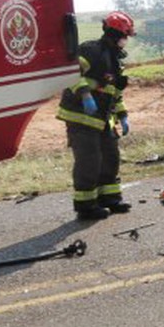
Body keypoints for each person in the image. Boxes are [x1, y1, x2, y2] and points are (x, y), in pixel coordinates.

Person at [56, 11, 135, 220]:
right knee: (89, 161)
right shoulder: (91, 50)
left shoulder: (115, 60)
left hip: (102, 119)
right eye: (125, 36)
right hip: (80, 116)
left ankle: (109, 199)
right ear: (115, 34)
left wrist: (122, 114)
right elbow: (71, 72)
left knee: (110, 158)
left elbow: (113, 92)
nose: (126, 40)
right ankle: (86, 206)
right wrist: (85, 94)